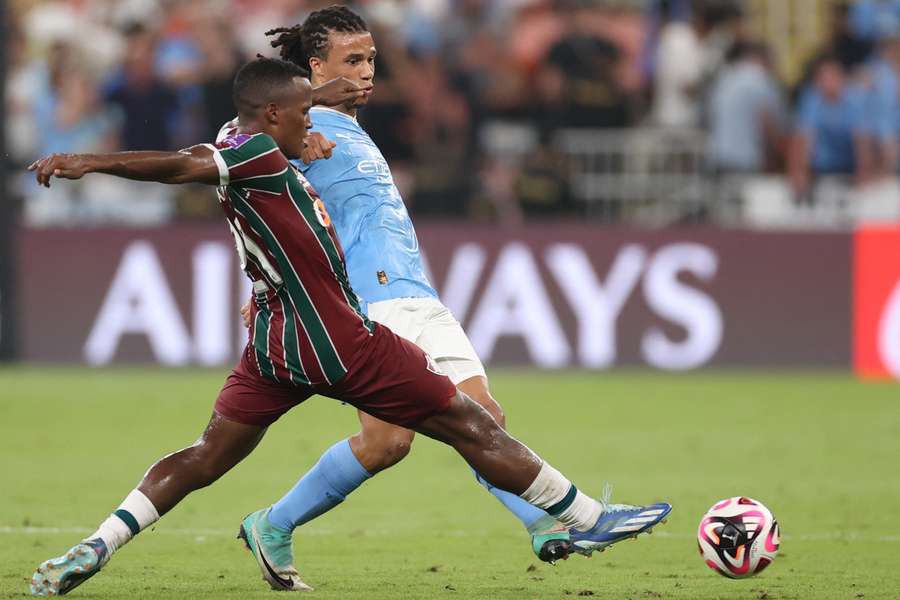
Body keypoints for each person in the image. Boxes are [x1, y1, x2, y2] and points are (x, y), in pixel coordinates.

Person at [27, 57, 672, 597]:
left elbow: (284, 113)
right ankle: (584, 516)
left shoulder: (254, 137)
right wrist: (88, 160)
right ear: (273, 117)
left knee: (205, 456)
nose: (312, 126)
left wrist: (336, 91)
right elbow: (177, 164)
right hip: (338, 339)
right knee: (468, 421)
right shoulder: (248, 154)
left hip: (274, 346)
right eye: (303, 116)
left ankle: (97, 545)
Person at [235, 7, 654, 586]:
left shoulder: (348, 128)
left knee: (468, 422)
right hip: (369, 302)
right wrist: (256, 283)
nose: (367, 72)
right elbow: (244, 184)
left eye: (372, 60)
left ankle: (543, 523)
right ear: (314, 68)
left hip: (416, 290)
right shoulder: (298, 132)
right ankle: (275, 525)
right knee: (399, 438)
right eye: (352, 61)